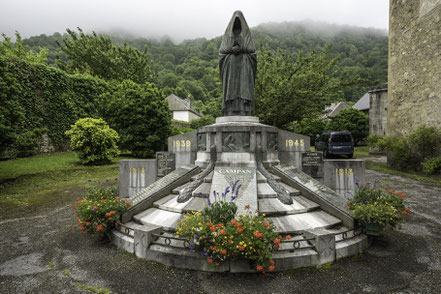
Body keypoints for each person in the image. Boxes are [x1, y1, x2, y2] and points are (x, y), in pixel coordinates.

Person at [219, 11, 257, 116]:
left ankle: (245, 108)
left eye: (238, 21)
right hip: (231, 65)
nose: (237, 23)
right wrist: (231, 49)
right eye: (235, 21)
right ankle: (229, 108)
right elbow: (222, 52)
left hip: (244, 64)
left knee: (243, 85)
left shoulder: (247, 35)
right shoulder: (227, 35)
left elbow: (252, 51)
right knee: (231, 86)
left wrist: (242, 49)